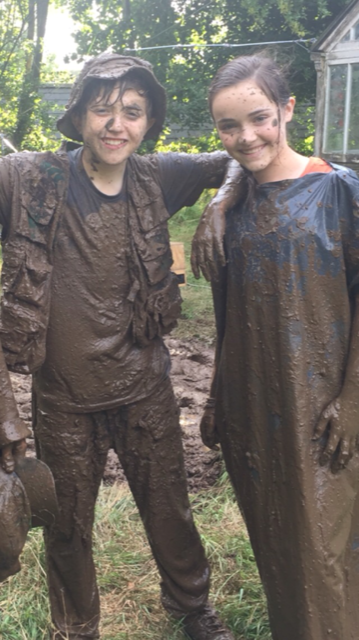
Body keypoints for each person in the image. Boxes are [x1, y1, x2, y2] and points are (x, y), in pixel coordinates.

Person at [0, 52, 237, 640]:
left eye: (132, 111)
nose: (116, 124)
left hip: (145, 389)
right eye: (102, 109)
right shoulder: (27, 178)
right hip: (64, 399)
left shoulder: (162, 177)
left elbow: (237, 159)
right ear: (78, 116)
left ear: (149, 121)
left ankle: (192, 608)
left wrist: (221, 206)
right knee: (68, 524)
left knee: (170, 511)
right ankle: (75, 626)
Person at [194, 54, 359, 640]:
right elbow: (226, 319)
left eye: (259, 118)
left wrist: (353, 400)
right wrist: (217, 397)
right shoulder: (229, 214)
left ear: (288, 109)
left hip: (323, 411)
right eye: (228, 127)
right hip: (253, 406)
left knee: (322, 548)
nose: (245, 137)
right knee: (278, 540)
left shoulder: (339, 193)